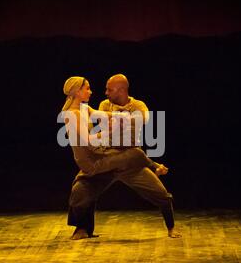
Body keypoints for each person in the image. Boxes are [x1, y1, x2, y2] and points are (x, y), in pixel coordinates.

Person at [62, 76, 171, 239]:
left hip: (104, 155)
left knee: (136, 156)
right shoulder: (72, 115)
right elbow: (88, 139)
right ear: (77, 92)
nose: (91, 91)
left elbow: (104, 114)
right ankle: (81, 228)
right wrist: (109, 131)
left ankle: (84, 231)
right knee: (81, 189)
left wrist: (121, 118)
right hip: (94, 162)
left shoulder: (85, 109)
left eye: (108, 89)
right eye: (87, 88)